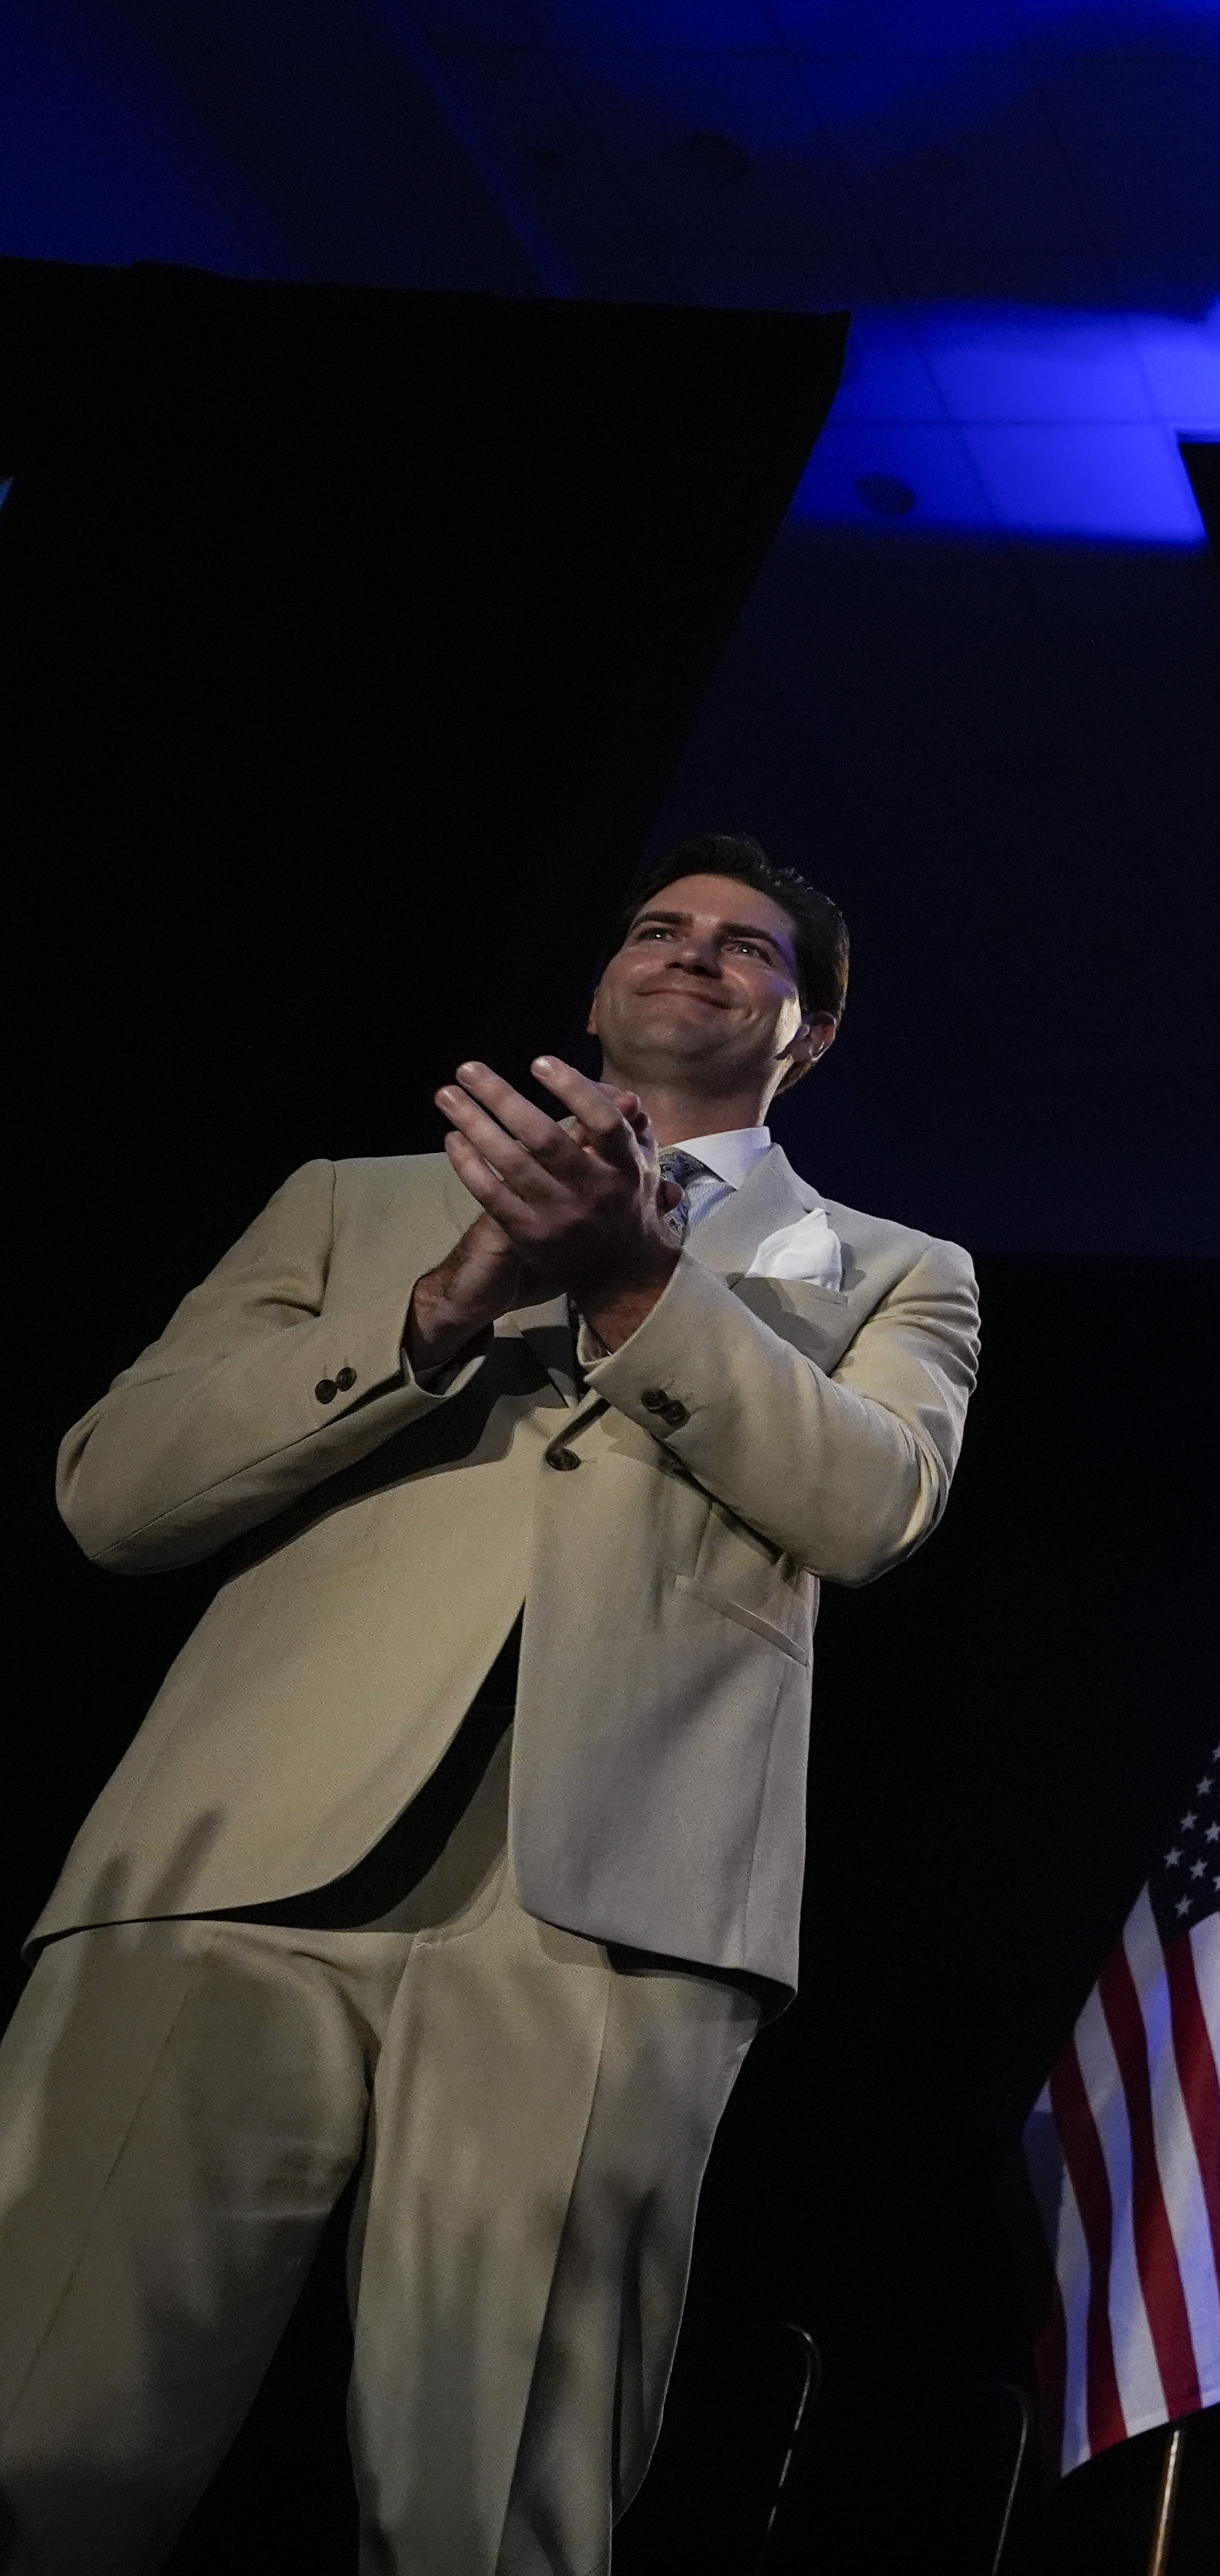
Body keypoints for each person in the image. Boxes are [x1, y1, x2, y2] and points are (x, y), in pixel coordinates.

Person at [1, 836, 979, 2574]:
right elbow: (113, 1495)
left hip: (610, 1921)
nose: (689, 957)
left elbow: (872, 1506)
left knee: (495, 2515)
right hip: (224, 1878)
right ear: (601, 981)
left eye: (745, 949)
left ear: (806, 1031)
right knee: (40, 2447)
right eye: (657, 929)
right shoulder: (353, 1200)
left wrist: (632, 1281)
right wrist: (446, 1304)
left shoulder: (891, 1266)